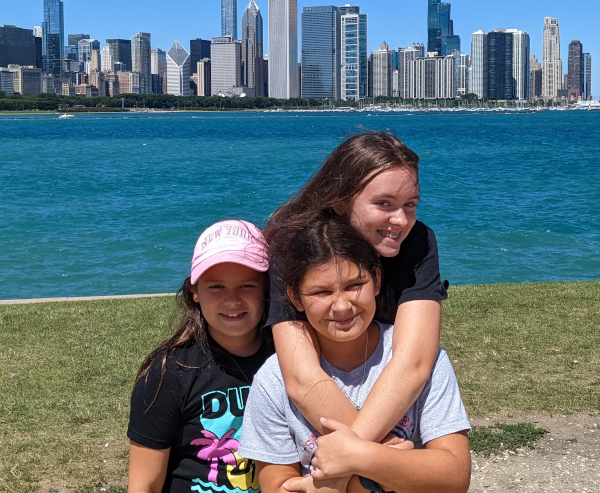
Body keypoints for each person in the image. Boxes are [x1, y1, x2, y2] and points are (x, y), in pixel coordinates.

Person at [239, 213, 471, 492]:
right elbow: (276, 486)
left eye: (354, 285)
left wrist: (359, 461)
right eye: (321, 292)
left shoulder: (430, 361)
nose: (341, 307)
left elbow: (455, 477)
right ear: (295, 298)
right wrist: (391, 466)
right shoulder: (274, 380)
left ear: (376, 280)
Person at [263, 132, 445, 469]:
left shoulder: (417, 242)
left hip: (367, 428)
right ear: (340, 200)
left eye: (410, 205)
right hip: (293, 417)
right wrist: (376, 458)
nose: (400, 221)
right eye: (384, 204)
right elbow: (304, 379)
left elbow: (414, 363)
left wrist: (358, 458)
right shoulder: (293, 244)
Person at [127, 220, 273, 493]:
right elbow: (144, 485)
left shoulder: (288, 358)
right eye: (216, 286)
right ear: (194, 292)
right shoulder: (169, 371)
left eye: (247, 285)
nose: (232, 300)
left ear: (267, 289)